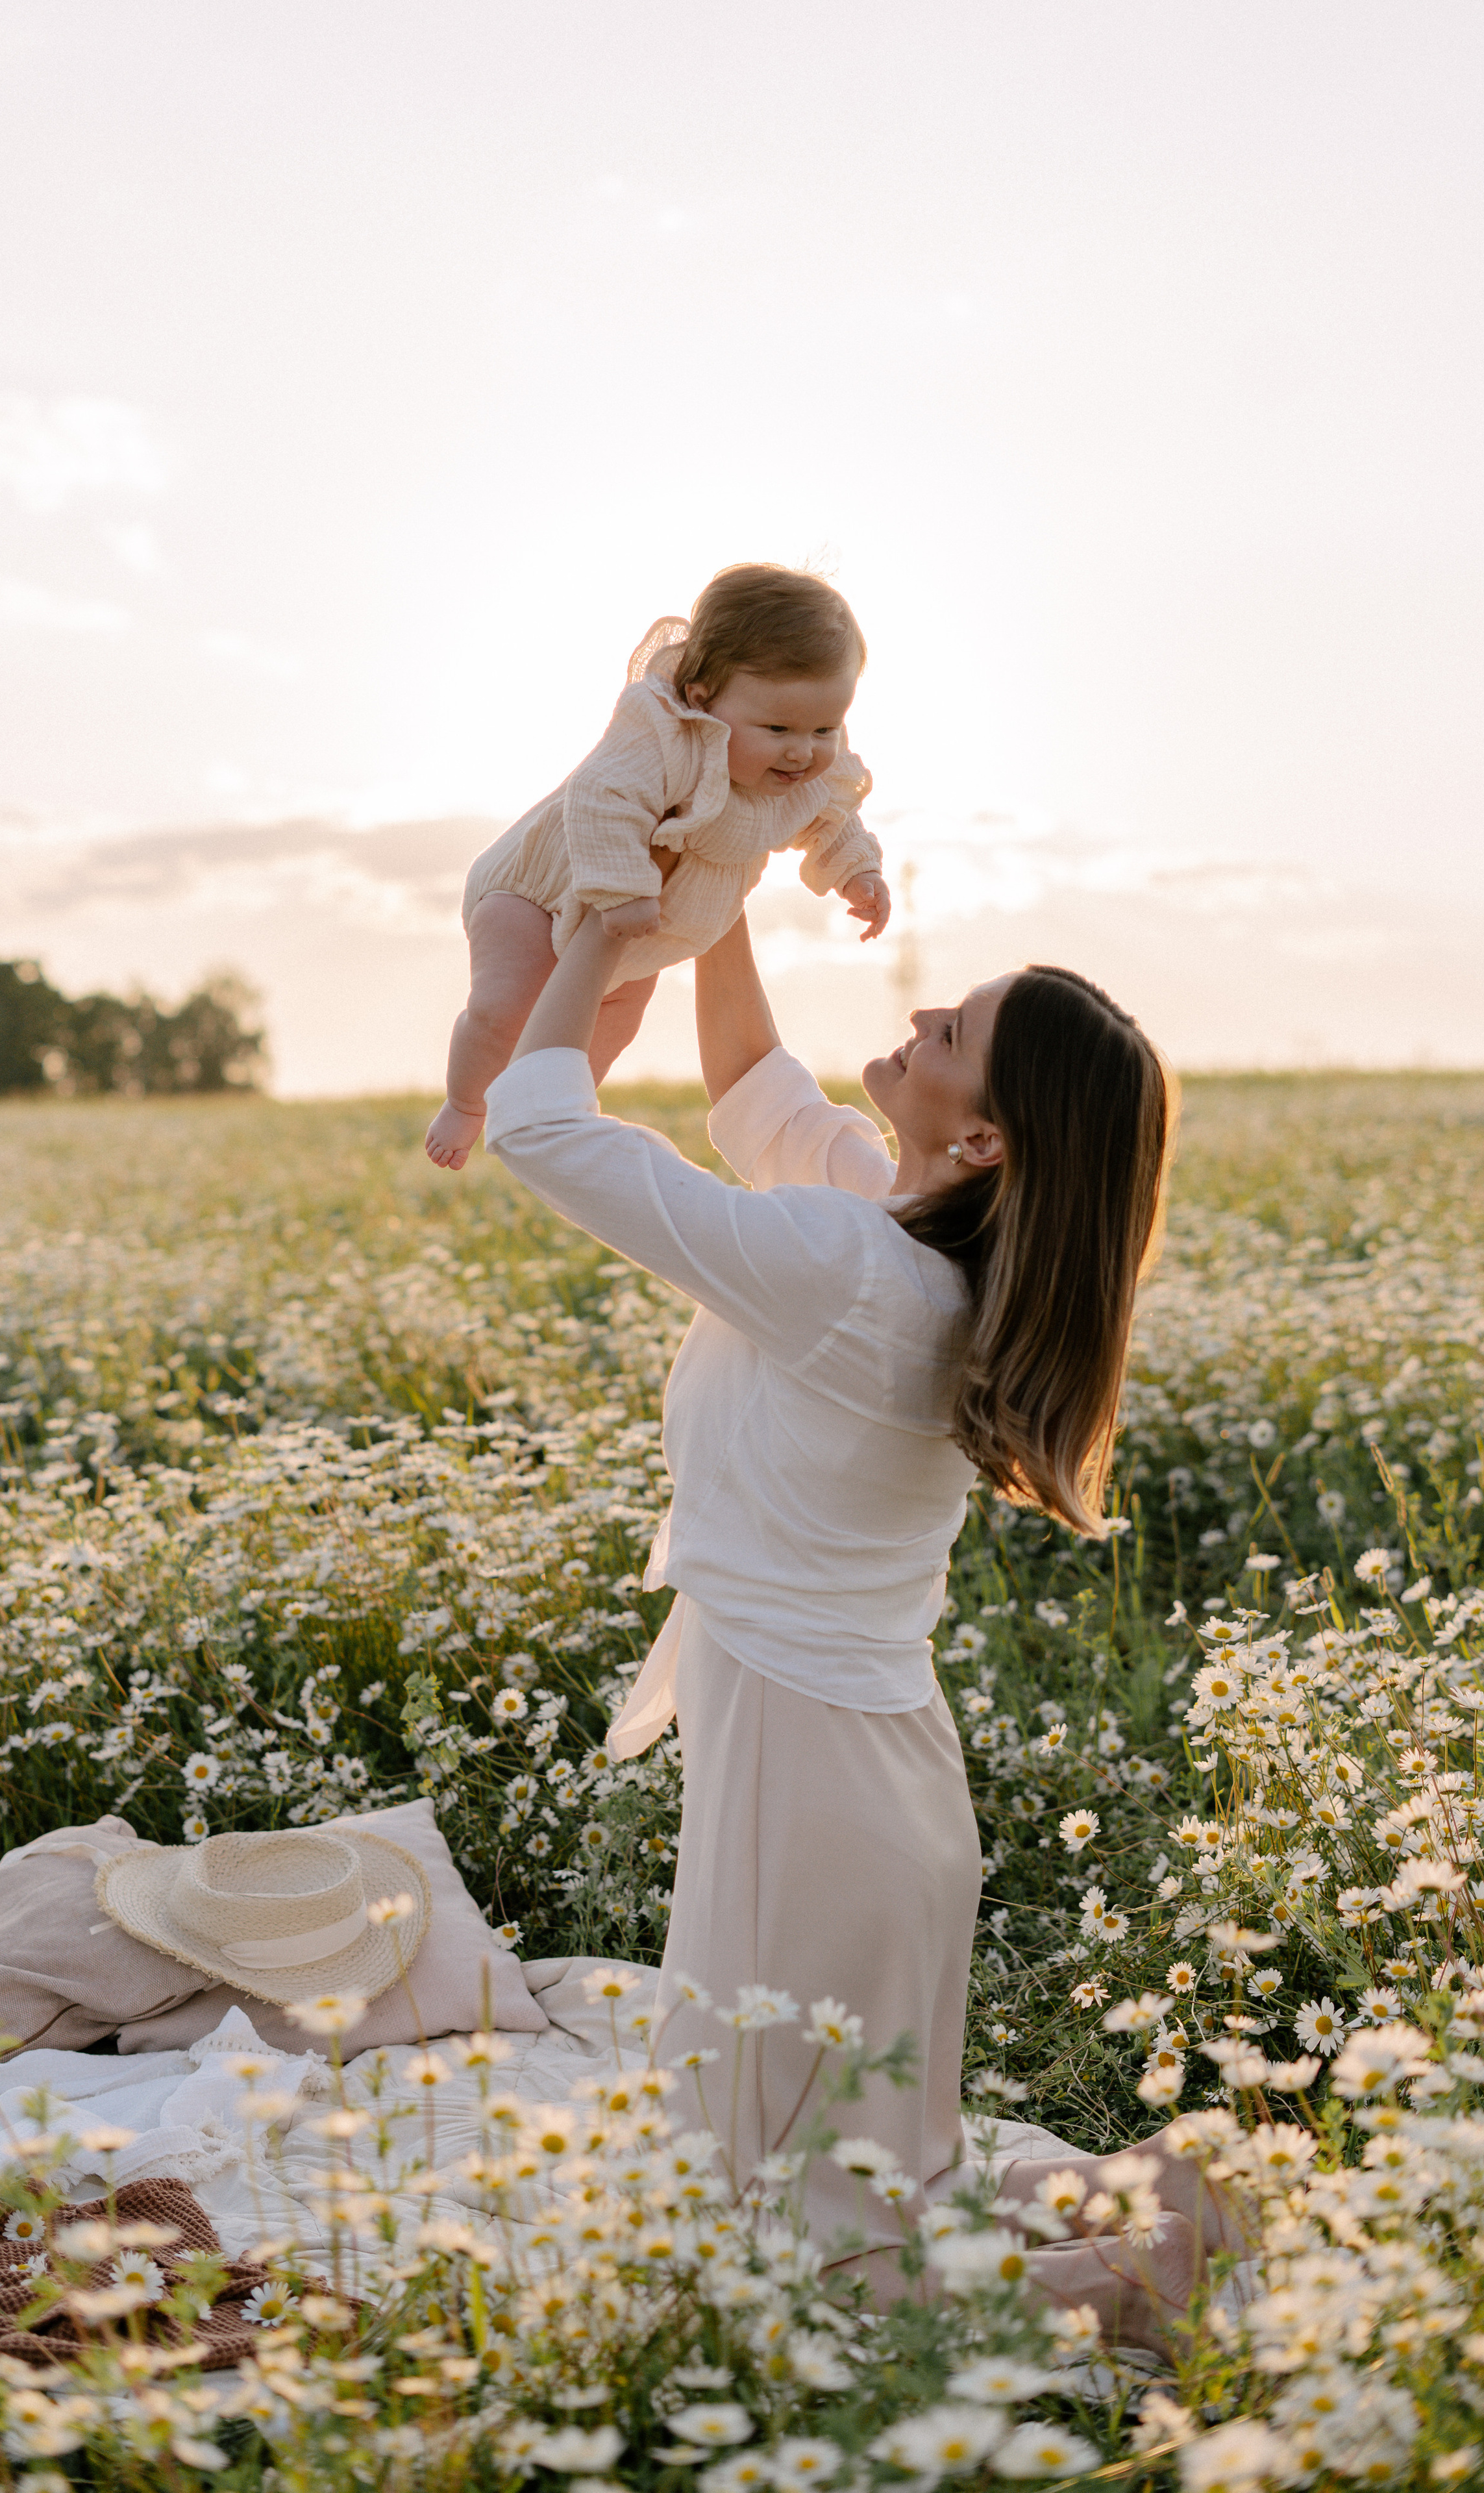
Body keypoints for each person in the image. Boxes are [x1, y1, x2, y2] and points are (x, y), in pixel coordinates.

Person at [485, 904, 1215, 2342]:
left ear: (985, 1137)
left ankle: (1117, 2291)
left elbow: (543, 1134)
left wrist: (589, 942)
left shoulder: (849, 1271)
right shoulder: (910, 1239)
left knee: (792, 2250)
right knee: (853, 2188)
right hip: (874, 1786)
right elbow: (753, 1077)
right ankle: (1154, 2214)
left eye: (956, 1032)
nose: (924, 1016)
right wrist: (717, 889)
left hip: (811, 1788)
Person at [425, 565, 893, 1169]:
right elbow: (604, 797)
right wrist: (622, 890)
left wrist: (859, 871)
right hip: (538, 896)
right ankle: (465, 1104)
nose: (803, 751)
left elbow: (833, 817)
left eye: (825, 728)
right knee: (505, 1012)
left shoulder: (807, 771)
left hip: (647, 933)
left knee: (614, 1022)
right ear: (704, 697)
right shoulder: (666, 733)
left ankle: (559, 1108)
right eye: (777, 728)